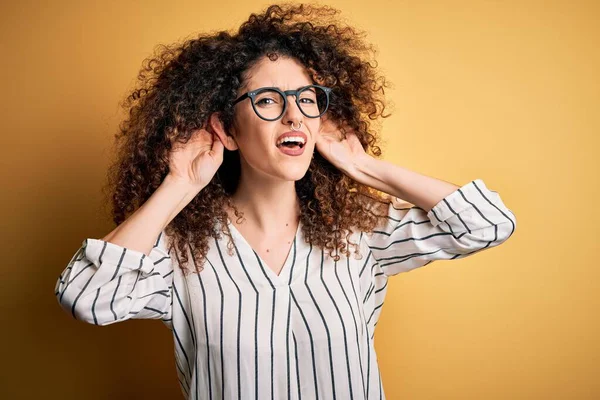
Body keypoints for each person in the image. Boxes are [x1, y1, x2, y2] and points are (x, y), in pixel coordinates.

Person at [54, 4, 517, 399]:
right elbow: (88, 299)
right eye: (269, 100)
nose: (295, 113)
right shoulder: (177, 250)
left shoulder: (360, 231)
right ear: (227, 129)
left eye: (306, 98)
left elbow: (487, 224)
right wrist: (179, 185)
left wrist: (363, 166)